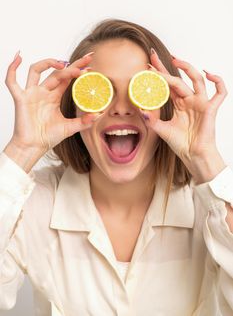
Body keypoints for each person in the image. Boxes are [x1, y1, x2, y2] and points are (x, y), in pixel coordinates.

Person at [0, 19, 233, 316]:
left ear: (167, 102)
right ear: (75, 106)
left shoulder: (206, 207)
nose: (121, 108)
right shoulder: (36, 203)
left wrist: (204, 157)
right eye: (101, 90)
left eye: (141, 89)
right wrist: (22, 150)